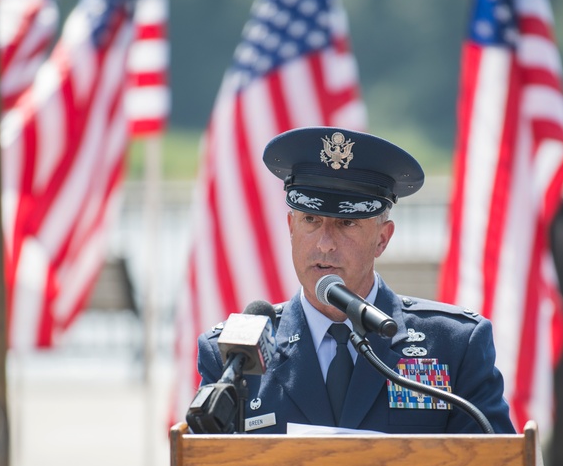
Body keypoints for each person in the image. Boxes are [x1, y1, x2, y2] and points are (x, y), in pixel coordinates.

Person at [196, 126, 514, 437]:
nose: (324, 244)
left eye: (346, 222)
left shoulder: (453, 345)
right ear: (291, 227)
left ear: (382, 239)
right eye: (310, 220)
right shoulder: (234, 357)